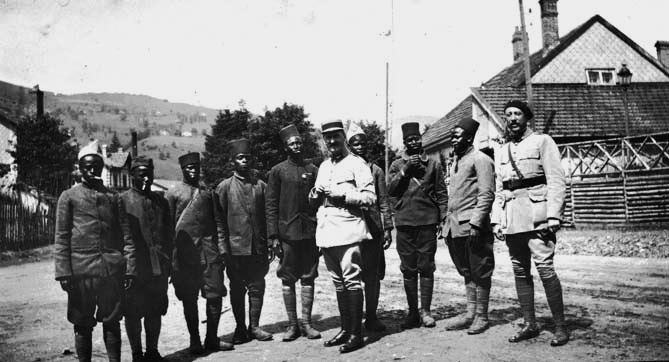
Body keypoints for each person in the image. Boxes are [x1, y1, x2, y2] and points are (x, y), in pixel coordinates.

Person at [491, 100, 569, 346]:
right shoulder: (502, 150)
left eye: (517, 114)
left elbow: (556, 180)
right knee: (519, 270)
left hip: (538, 215)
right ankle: (529, 323)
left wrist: (554, 214)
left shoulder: (542, 141)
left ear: (527, 118)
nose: (512, 118)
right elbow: (499, 189)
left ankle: (560, 327)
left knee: (545, 269)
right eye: (508, 115)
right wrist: (497, 220)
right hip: (513, 216)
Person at [54, 140, 135, 362]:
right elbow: (61, 237)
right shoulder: (68, 197)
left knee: (112, 320)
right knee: (82, 324)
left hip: (111, 270)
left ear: (101, 168)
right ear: (80, 169)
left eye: (96, 167)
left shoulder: (113, 198)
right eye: (87, 167)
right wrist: (63, 272)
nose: (92, 170)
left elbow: (126, 236)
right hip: (81, 273)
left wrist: (128, 268)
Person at [309, 121, 376, 353]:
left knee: (352, 281)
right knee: (338, 283)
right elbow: (317, 198)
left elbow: (370, 197)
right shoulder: (324, 166)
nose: (331, 142)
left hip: (348, 230)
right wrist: (314, 194)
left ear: (343, 137)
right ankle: (346, 330)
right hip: (327, 232)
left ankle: (357, 334)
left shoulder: (357, 164)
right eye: (327, 138)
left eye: (335, 137)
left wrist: (344, 194)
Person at [166, 152, 232, 354]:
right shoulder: (173, 194)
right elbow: (167, 228)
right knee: (189, 297)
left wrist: (222, 249)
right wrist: (171, 259)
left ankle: (211, 338)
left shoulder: (207, 193)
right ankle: (195, 341)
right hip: (185, 254)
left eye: (196, 167)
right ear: (183, 169)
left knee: (215, 294)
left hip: (209, 252)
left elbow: (219, 223)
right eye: (189, 168)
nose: (193, 170)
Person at [388, 122, 448, 329]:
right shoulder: (397, 164)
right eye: (409, 140)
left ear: (421, 140)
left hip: (427, 221)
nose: (413, 142)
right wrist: (406, 169)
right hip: (404, 222)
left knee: (427, 266)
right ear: (404, 143)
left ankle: (426, 311)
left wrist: (442, 218)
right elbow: (391, 189)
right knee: (408, 268)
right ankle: (412, 312)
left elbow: (441, 192)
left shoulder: (433, 164)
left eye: (416, 139)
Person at [266, 124, 322, 341]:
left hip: (310, 232)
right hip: (287, 233)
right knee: (288, 278)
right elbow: (270, 205)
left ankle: (307, 324)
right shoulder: (278, 171)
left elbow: (321, 202)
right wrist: (273, 236)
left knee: (309, 276)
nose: (296, 146)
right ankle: (292, 326)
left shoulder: (313, 170)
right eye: (292, 143)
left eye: (299, 142)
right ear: (286, 147)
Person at [440, 118, 495, 335]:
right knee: (466, 271)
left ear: (469, 138)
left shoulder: (480, 159)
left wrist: (477, 223)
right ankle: (470, 314)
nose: (453, 139)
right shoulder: (456, 161)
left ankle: (481, 316)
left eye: (457, 135)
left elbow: (486, 193)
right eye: (452, 135)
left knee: (480, 270)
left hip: (473, 227)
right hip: (455, 227)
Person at [216, 139, 273, 344]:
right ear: (233, 161)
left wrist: (270, 242)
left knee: (258, 285)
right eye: (240, 158)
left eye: (247, 157)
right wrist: (224, 249)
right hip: (235, 249)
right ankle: (240, 328)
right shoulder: (224, 188)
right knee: (237, 288)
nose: (244, 161)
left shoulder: (261, 186)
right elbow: (219, 222)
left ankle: (255, 327)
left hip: (257, 248)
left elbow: (269, 216)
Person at [121, 156, 173, 362]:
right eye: (141, 173)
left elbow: (169, 235)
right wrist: (126, 269)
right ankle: (137, 354)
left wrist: (168, 262)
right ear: (131, 175)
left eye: (149, 173)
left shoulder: (161, 201)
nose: (146, 178)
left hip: (158, 267)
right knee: (133, 312)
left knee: (155, 310)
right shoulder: (122, 201)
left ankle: (152, 351)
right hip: (134, 270)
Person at [346, 123, 394, 332]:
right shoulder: (343, 169)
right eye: (355, 144)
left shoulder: (376, 171)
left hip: (373, 229)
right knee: (350, 275)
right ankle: (352, 320)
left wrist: (388, 228)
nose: (360, 147)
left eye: (363, 144)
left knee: (372, 276)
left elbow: (384, 201)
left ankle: (372, 317)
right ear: (349, 145)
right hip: (349, 229)